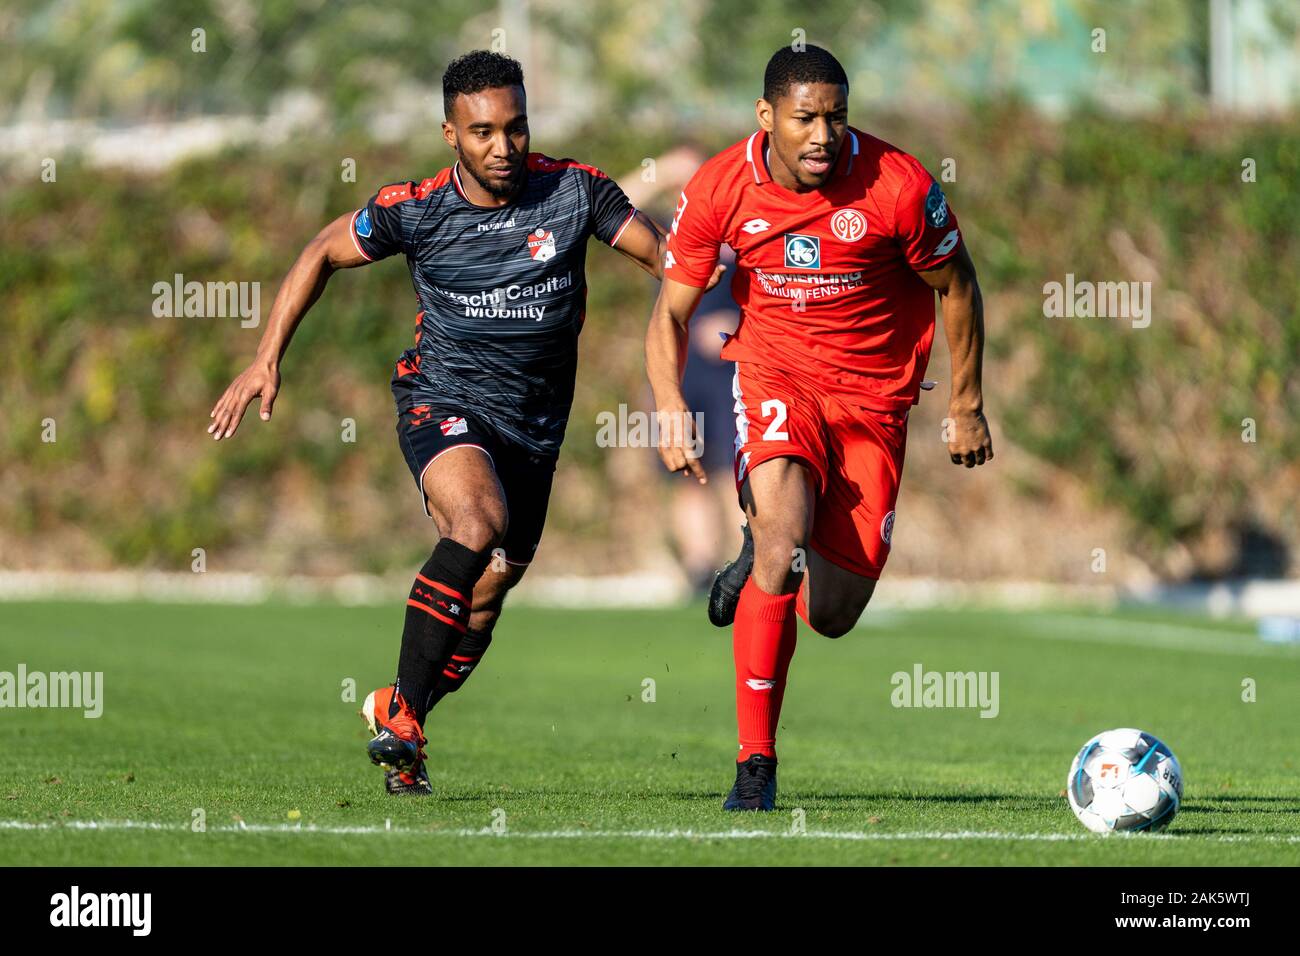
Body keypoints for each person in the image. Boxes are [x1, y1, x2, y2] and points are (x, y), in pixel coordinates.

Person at [207, 50, 716, 796]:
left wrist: (753, 306)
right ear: (451, 133)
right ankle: (406, 721)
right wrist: (266, 358)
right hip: (440, 399)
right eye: (483, 132)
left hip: (535, 432)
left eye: (516, 128)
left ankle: (401, 714)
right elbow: (321, 251)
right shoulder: (415, 207)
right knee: (474, 524)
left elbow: (671, 266)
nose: (503, 147)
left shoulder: (576, 193)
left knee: (483, 603)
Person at [645, 44, 993, 810]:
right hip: (776, 378)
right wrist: (671, 407)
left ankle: (766, 551)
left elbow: (958, 287)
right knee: (782, 540)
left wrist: (966, 406)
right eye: (806, 117)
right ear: (766, 116)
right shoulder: (719, 188)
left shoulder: (898, 186)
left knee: (832, 614)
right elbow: (669, 313)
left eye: (836, 116)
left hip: (874, 403)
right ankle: (755, 765)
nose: (823, 134)